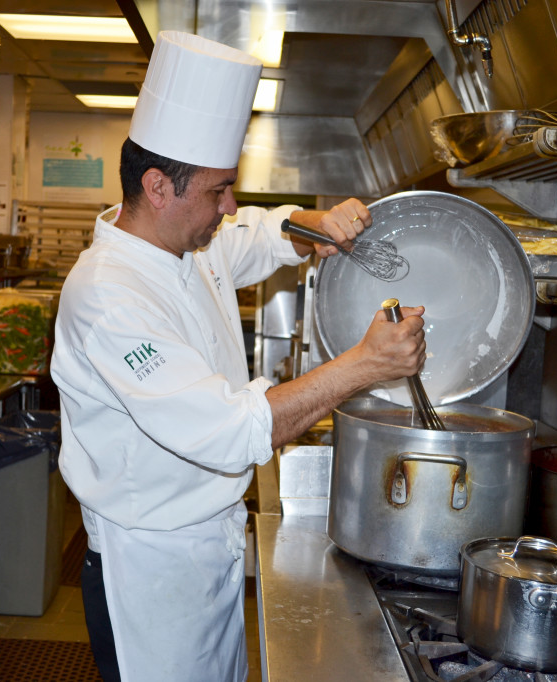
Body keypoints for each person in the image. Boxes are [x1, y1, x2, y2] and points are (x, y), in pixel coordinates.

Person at [50, 30, 426, 682]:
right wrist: (365, 364)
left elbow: (259, 231)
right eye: (218, 192)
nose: (228, 208)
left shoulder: (192, 242)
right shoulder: (109, 296)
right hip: (151, 570)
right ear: (159, 186)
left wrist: (315, 225)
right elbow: (228, 431)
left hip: (210, 543)